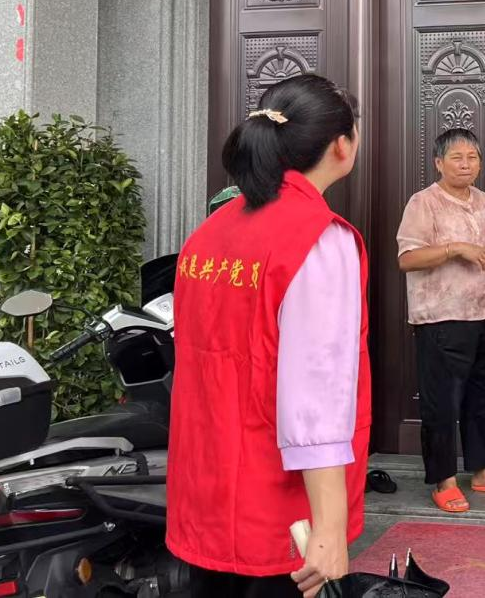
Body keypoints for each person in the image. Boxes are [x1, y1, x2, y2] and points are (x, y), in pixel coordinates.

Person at [167, 74, 369, 598]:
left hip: (206, 489)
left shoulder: (210, 231)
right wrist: (329, 526)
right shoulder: (316, 239)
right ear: (341, 146)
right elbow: (316, 391)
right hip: (274, 501)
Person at [397, 128, 485, 514]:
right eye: (456, 158)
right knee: (441, 403)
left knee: (483, 395)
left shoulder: (481, 201)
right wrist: (454, 249)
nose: (465, 164)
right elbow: (407, 259)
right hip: (441, 318)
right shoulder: (423, 202)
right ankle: (443, 480)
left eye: (472, 157)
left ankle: (483, 471)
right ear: (438, 163)